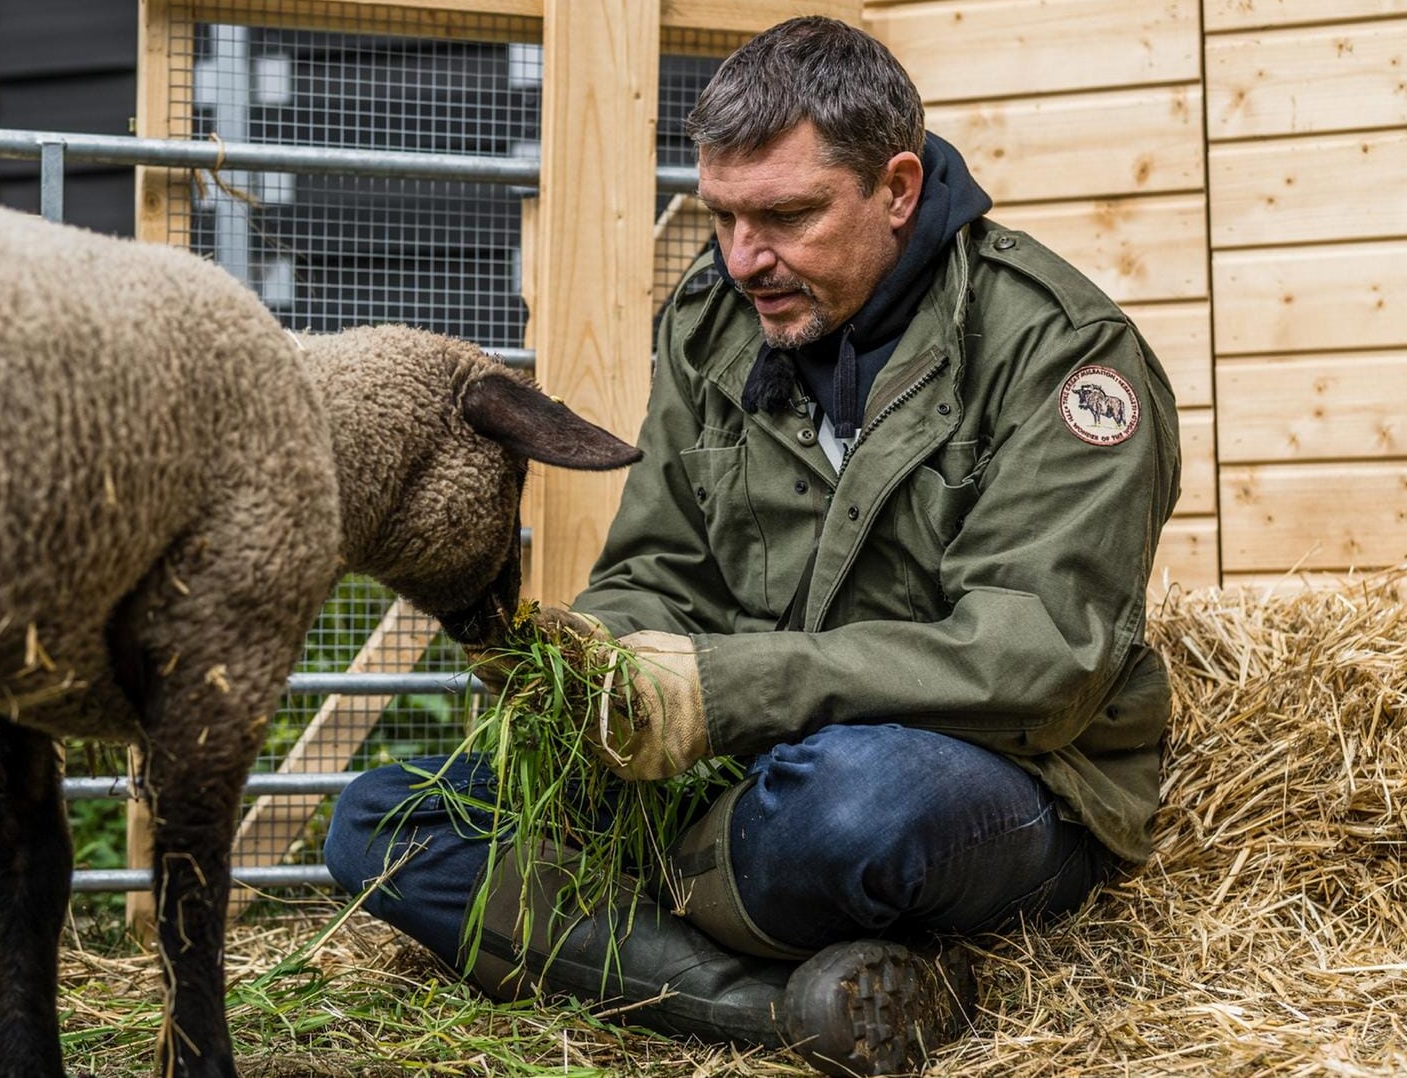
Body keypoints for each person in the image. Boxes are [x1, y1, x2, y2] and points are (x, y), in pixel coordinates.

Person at [325, 15, 1180, 1076]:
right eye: (723, 216)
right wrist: (599, 671)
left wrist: (722, 692)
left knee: (854, 808)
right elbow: (658, 564)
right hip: (747, 771)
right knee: (381, 822)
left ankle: (648, 904)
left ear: (898, 188)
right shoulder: (714, 319)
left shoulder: (1059, 350)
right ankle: (778, 1008)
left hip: (992, 783)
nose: (743, 259)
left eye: (785, 216)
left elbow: (1039, 659)